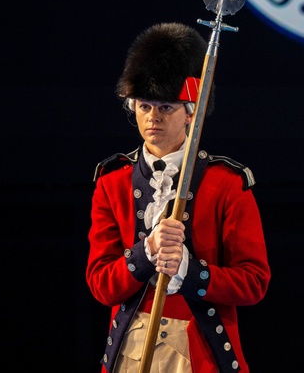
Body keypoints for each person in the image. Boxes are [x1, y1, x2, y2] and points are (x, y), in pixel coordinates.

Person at [87, 22, 270, 373]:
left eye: (166, 107)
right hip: (130, 352)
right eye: (144, 105)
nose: (153, 116)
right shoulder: (112, 182)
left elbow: (253, 282)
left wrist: (189, 271)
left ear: (190, 113)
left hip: (199, 354)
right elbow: (101, 285)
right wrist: (146, 253)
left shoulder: (226, 184)